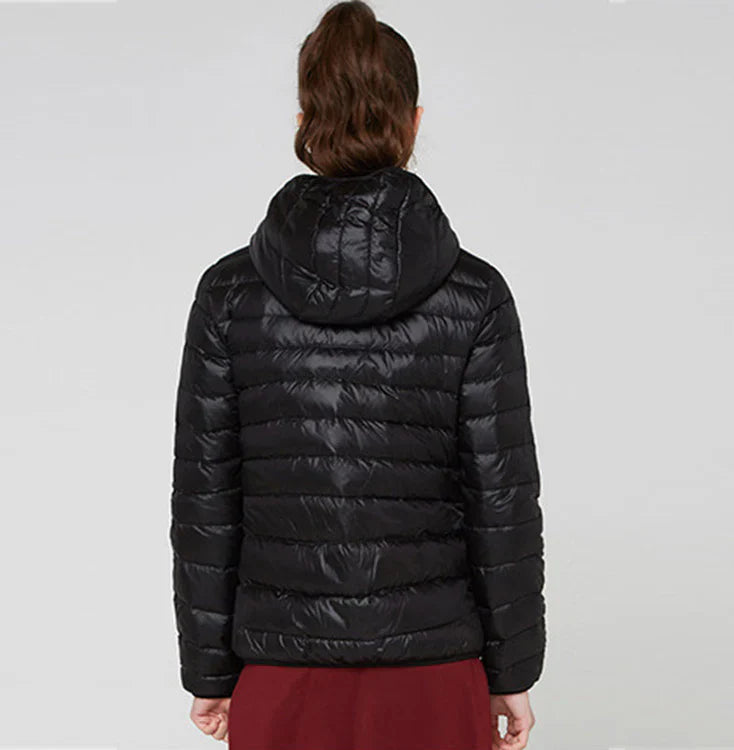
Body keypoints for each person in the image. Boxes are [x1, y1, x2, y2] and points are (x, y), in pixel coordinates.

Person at [169, 2, 546, 749]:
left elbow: (206, 501)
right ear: (413, 122)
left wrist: (209, 673)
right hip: (435, 667)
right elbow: (500, 501)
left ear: (305, 120)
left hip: (280, 665)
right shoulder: (475, 296)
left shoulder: (229, 294)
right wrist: (512, 670)